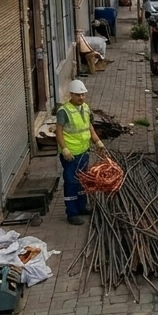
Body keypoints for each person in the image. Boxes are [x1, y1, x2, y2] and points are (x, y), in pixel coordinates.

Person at [56, 79, 106, 226]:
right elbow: (58, 132)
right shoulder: (64, 111)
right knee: (71, 182)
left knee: (83, 181)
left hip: (84, 151)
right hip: (70, 154)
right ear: (71, 94)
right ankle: (72, 213)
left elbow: (88, 126)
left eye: (83, 95)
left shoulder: (85, 108)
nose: (81, 98)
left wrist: (97, 141)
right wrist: (64, 148)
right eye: (78, 95)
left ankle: (82, 207)